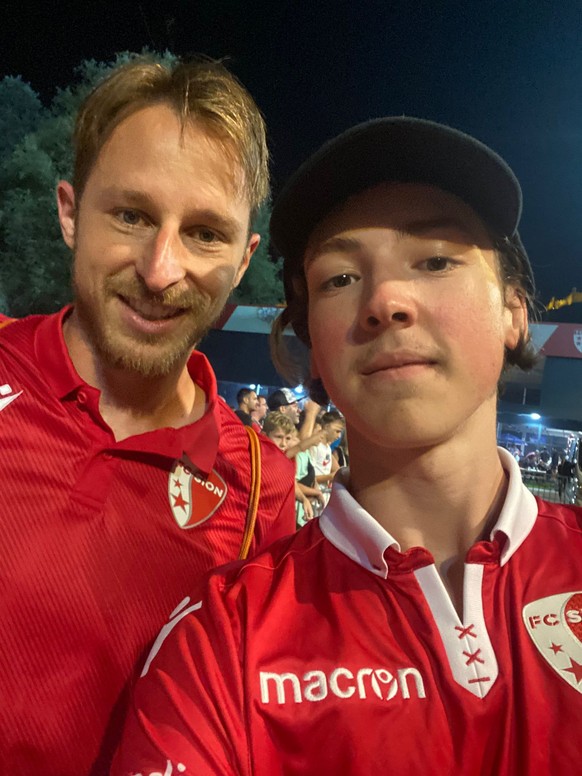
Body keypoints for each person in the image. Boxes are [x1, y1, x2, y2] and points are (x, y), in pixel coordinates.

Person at [113, 117, 582, 775]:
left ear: (514, 309)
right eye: (339, 278)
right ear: (312, 345)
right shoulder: (222, 641)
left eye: (436, 259)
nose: (385, 300)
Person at [0, 55, 295, 776]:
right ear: (70, 213)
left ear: (242, 261)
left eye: (204, 233)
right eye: (130, 215)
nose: (162, 270)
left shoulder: (263, 487)